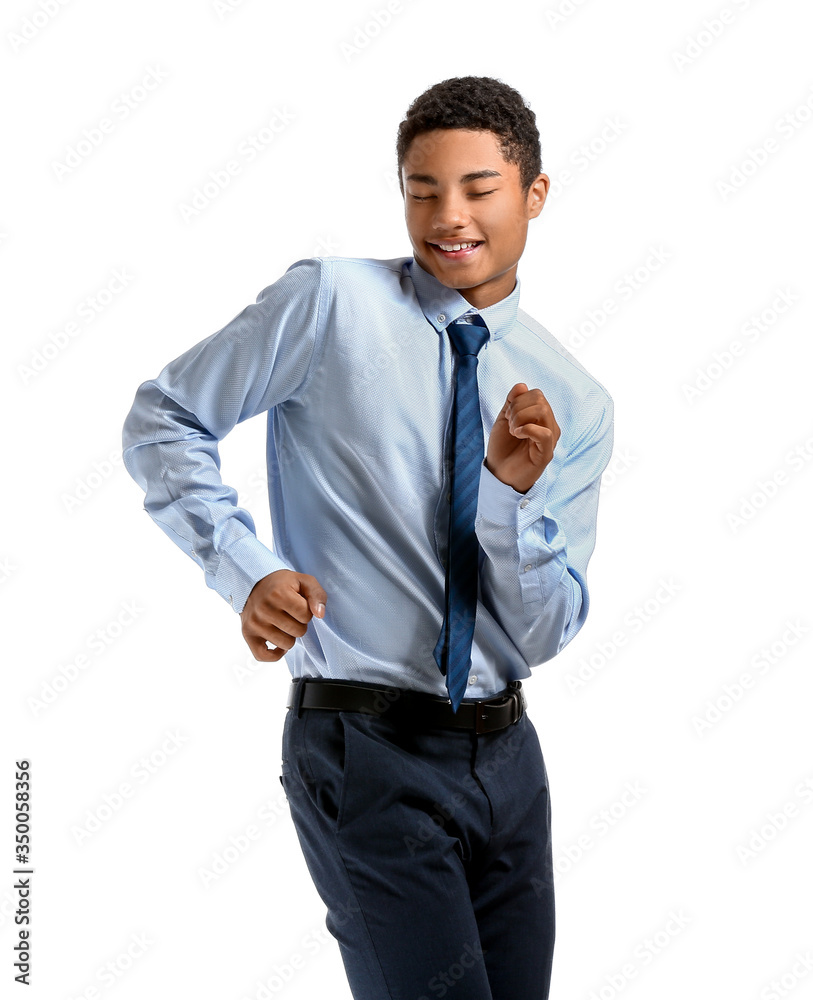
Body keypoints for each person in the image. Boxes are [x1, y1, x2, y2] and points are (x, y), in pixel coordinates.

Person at [122, 75, 614, 1000]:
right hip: (365, 742)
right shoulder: (328, 304)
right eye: (421, 189)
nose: (446, 216)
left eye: (478, 187)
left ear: (533, 194)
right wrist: (244, 569)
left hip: (510, 758)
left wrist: (506, 498)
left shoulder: (572, 399)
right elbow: (165, 418)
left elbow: (545, 632)